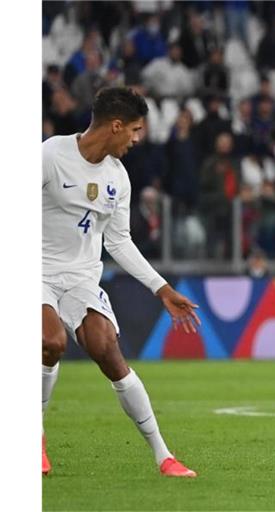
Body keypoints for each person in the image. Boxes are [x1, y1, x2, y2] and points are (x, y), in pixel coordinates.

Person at [42, 87, 200, 478]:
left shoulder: (118, 178)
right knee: (50, 342)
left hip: (81, 278)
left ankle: (164, 455)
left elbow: (118, 241)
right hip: (35, 272)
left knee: (107, 349)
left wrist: (161, 289)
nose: (136, 139)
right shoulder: (49, 156)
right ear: (115, 126)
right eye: (134, 130)